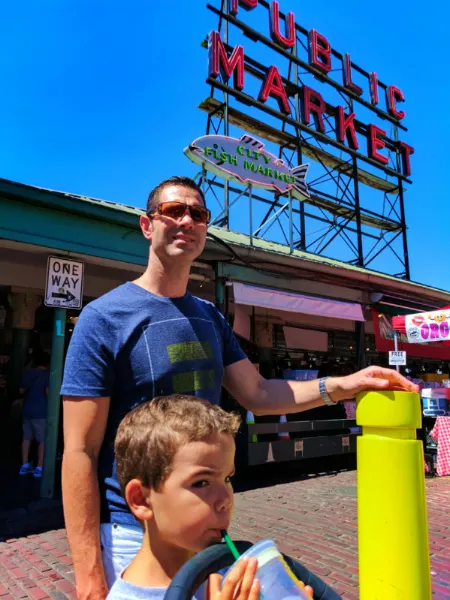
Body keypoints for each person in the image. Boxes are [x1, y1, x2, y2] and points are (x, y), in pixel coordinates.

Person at [61, 175, 418, 600]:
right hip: (134, 531)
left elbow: (260, 393)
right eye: (173, 211)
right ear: (146, 225)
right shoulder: (104, 318)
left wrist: (344, 384)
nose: (186, 221)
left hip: (205, 524)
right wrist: (88, 572)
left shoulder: (210, 317)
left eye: (198, 213)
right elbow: (79, 451)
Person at [107, 394, 313, 600]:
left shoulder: (229, 571)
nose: (226, 500)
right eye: (201, 482)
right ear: (141, 500)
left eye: (228, 478)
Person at [19, 350, 50, 478]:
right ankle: (39, 467)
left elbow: (21, 391)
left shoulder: (28, 374)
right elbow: (48, 393)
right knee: (42, 440)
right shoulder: (47, 375)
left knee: (26, 438)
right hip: (41, 410)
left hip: (27, 410)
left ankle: (24, 464)